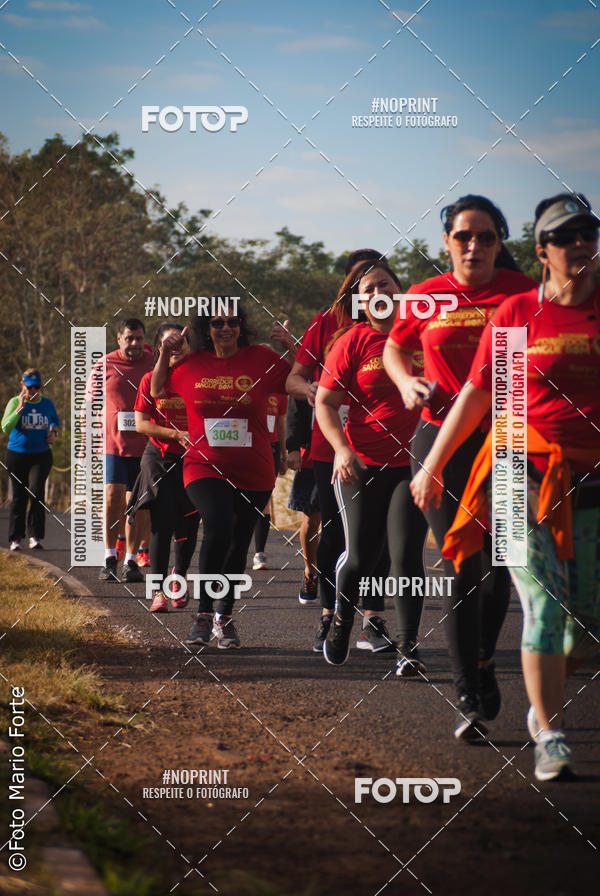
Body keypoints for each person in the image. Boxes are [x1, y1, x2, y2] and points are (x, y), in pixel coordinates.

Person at [410, 192, 600, 779]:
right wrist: (434, 464)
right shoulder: (519, 314)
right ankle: (548, 730)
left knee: (587, 628)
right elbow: (485, 395)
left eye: (588, 234)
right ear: (543, 250)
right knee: (542, 607)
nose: (580, 246)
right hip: (524, 472)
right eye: (565, 237)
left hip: (593, 480)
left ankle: (548, 690)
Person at [383, 195, 537, 739]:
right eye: (463, 236)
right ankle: (467, 693)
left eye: (486, 236)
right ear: (446, 242)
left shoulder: (525, 294)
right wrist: (405, 382)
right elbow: (394, 349)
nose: (474, 246)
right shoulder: (425, 297)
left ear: (501, 242)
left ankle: (483, 659)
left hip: (511, 437)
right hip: (439, 441)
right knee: (461, 561)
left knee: (500, 565)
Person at [151, 300, 291, 649]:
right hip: (203, 464)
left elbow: (306, 377)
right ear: (206, 328)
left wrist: (292, 346)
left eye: (232, 321)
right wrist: (163, 354)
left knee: (239, 542)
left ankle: (223, 619)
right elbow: (156, 390)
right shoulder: (191, 364)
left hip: (255, 469)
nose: (225, 327)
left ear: (241, 326)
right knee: (217, 527)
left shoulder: (262, 359)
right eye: (217, 322)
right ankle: (202, 616)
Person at [316, 260, 428, 666]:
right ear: (360, 303)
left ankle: (408, 647)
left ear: (402, 289)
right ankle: (343, 618)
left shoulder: (427, 335)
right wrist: (342, 450)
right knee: (361, 558)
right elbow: (326, 404)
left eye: (385, 284)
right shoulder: (352, 341)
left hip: (414, 467)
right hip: (360, 464)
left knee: (407, 556)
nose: (378, 293)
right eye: (368, 290)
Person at [286, 249, 388, 651]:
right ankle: (329, 615)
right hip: (332, 446)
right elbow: (293, 378)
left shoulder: (401, 325)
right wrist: (310, 388)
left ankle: (374, 619)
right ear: (351, 285)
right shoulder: (326, 324)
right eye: (362, 279)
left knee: (378, 539)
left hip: (384, 446)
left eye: (379, 278)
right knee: (333, 534)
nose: (372, 286)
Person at [127, 323, 200, 613]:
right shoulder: (149, 380)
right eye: (169, 342)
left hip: (195, 459)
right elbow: (142, 423)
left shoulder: (199, 378)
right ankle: (157, 591)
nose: (176, 344)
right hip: (159, 456)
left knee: (189, 522)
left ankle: (178, 579)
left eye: (181, 340)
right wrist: (175, 434)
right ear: (159, 347)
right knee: (162, 522)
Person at [93, 318, 154, 584]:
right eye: (129, 338)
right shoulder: (104, 364)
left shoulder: (154, 363)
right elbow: (91, 404)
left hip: (145, 445)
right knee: (112, 498)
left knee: (138, 505)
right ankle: (109, 558)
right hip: (113, 443)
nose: (134, 344)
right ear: (119, 339)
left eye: (139, 338)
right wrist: (89, 441)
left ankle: (131, 561)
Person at [3, 368, 60, 550]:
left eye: (37, 387)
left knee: (36, 492)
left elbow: (54, 422)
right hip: (17, 455)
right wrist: (20, 408)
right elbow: (5, 427)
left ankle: (35, 536)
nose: (33, 391)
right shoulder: (14, 403)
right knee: (19, 496)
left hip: (41, 455)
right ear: (23, 385)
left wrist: (53, 433)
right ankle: (16, 537)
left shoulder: (47, 404)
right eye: (30, 387)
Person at [286, 395, 321, 606]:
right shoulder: (311, 371)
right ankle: (310, 572)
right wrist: (292, 447)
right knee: (311, 520)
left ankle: (340, 578)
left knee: (347, 524)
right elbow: (295, 409)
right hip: (313, 453)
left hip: (351, 451)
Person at [252, 390, 288, 571]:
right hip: (247, 446)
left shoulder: (279, 394)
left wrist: (283, 454)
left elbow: (281, 425)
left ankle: (260, 553)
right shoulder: (248, 386)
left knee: (264, 500)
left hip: (270, 449)